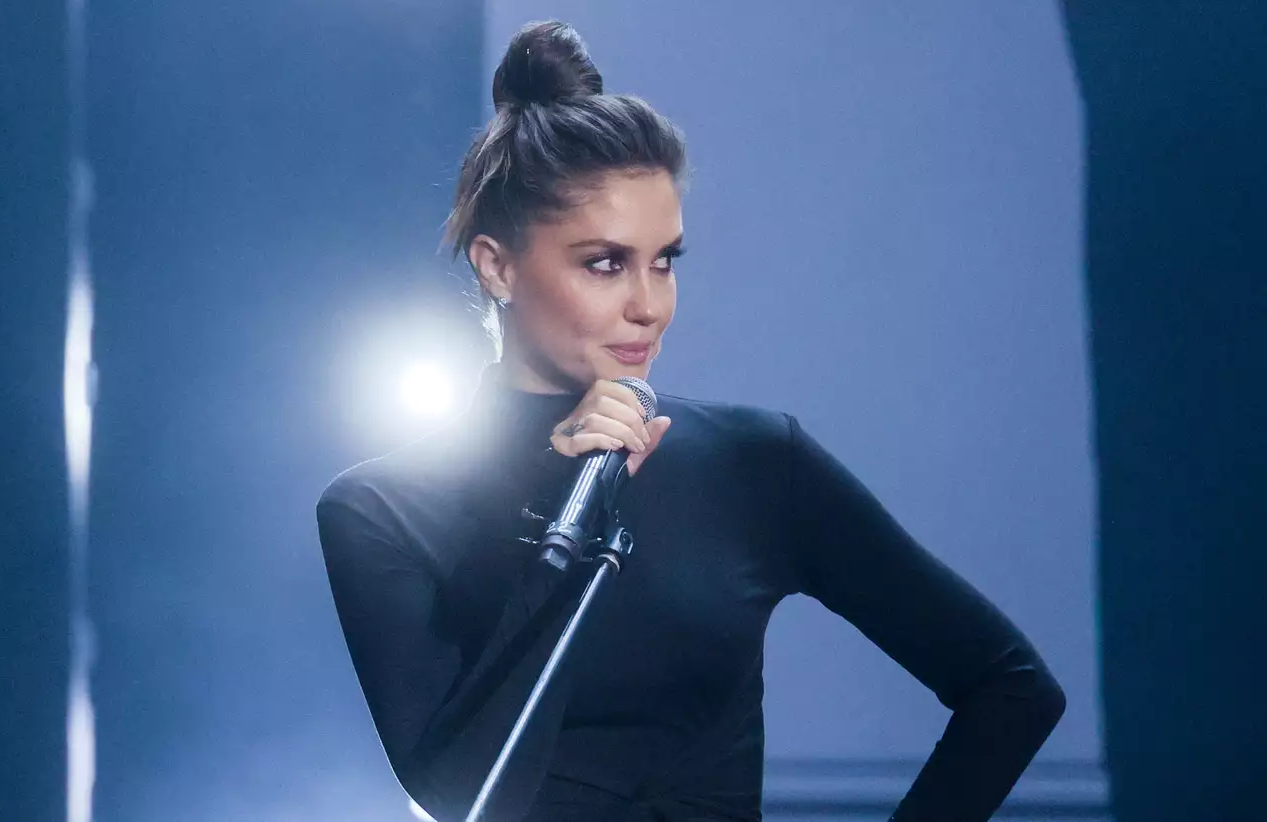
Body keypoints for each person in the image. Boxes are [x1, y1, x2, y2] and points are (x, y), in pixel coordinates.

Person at [315, 20, 1066, 822]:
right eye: (606, 263)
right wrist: (564, 527)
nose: (649, 306)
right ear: (497, 266)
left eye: (664, 261)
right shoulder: (383, 510)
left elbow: (1012, 688)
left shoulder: (753, 462)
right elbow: (462, 796)